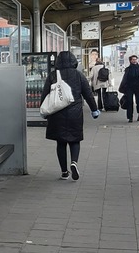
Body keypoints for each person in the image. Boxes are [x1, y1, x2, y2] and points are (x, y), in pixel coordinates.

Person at [40, 50, 100, 181]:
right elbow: (88, 94)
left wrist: (43, 111)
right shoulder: (78, 75)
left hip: (57, 113)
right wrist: (94, 110)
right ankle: (74, 162)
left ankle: (64, 172)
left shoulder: (53, 75)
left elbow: (45, 94)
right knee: (75, 140)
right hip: (75, 113)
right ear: (73, 61)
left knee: (61, 143)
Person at [118, 54, 139, 122]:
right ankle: (130, 117)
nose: (135, 61)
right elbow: (125, 79)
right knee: (129, 102)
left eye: (135, 59)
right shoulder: (128, 69)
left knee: (138, 102)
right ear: (130, 61)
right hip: (129, 88)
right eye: (133, 59)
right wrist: (122, 87)